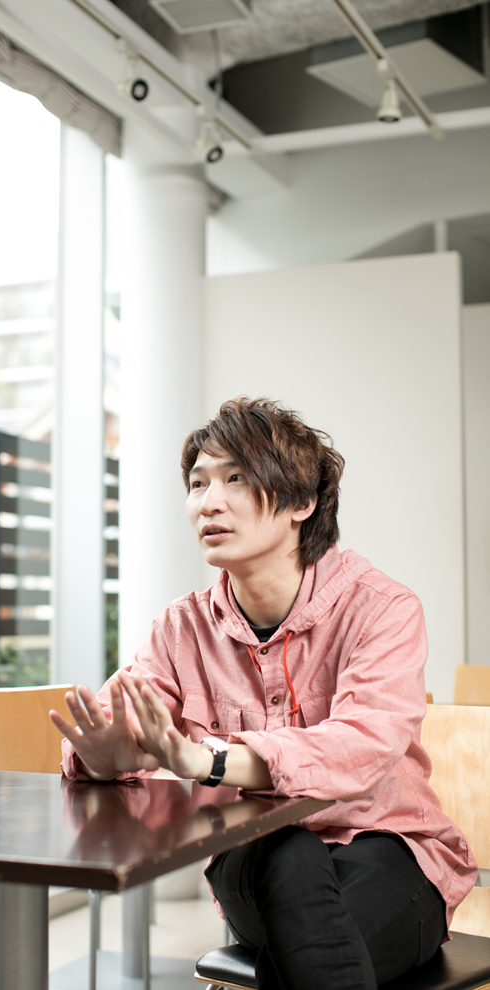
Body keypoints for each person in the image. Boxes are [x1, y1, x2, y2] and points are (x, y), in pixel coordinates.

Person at [50, 396, 476, 990]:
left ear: (302, 502)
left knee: (308, 944)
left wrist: (212, 760)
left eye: (236, 479)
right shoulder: (181, 629)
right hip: (256, 858)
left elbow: (364, 743)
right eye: (197, 484)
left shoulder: (383, 609)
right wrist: (105, 756)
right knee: (287, 855)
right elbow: (121, 729)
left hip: (391, 850)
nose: (209, 502)